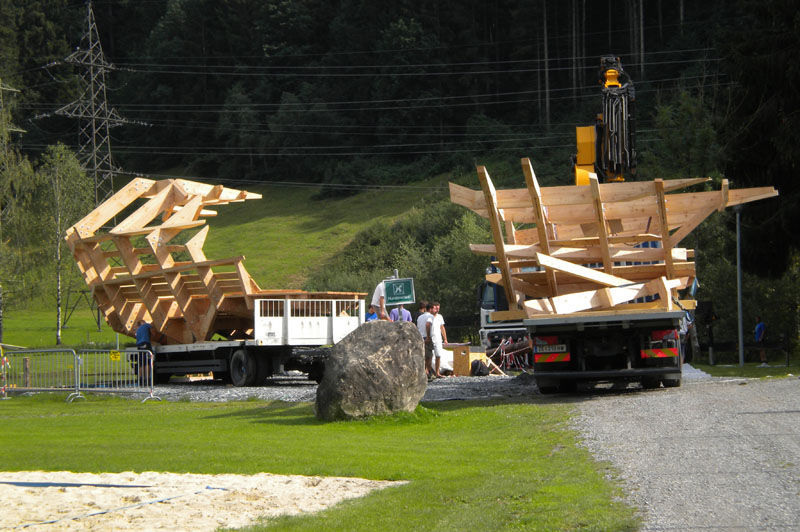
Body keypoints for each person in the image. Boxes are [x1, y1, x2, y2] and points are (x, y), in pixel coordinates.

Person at [426, 302, 448, 378]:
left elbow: (442, 328)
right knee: (428, 356)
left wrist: (445, 339)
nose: (437, 310)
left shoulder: (439, 317)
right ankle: (428, 371)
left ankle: (437, 372)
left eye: (438, 308)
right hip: (430, 338)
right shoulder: (428, 317)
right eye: (436, 308)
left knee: (438, 355)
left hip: (438, 338)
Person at [416, 301, 434, 379]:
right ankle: (429, 372)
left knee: (422, 356)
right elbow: (428, 324)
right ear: (430, 309)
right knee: (429, 356)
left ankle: (422, 372)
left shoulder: (420, 317)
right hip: (426, 337)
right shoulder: (430, 316)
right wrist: (428, 337)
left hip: (420, 337)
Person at [133, 319, 155, 384]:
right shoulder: (146, 325)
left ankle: (140, 380)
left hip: (139, 346)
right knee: (147, 363)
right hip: (146, 344)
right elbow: (153, 330)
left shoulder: (138, 329)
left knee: (141, 363)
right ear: (143, 322)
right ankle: (147, 379)